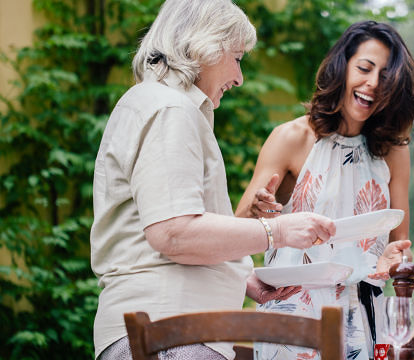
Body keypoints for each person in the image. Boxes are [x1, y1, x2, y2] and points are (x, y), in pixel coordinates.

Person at [90, 1, 335, 359]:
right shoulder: (170, 109)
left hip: (171, 332)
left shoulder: (161, 104)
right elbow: (173, 232)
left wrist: (243, 277)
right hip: (170, 334)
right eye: (237, 58)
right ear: (204, 46)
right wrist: (278, 232)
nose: (239, 77)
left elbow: (165, 234)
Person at [235, 20, 414, 360]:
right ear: (342, 67)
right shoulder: (291, 138)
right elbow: (235, 233)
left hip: (364, 320)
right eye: (364, 68)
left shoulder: (393, 152)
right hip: (292, 318)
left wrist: (394, 259)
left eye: (385, 77)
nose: (373, 83)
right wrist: (258, 213)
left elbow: (402, 245)